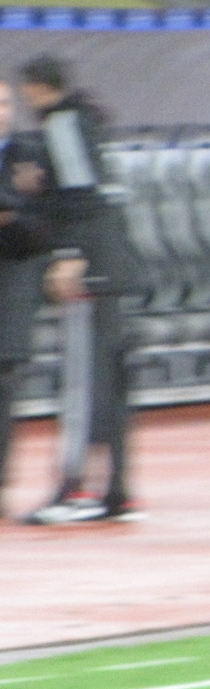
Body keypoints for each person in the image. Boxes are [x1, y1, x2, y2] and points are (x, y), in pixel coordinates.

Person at [17, 56, 144, 524]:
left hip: (89, 271)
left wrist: (70, 254)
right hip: (112, 267)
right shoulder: (90, 122)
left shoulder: (63, 123)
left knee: (82, 384)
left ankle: (73, 491)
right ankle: (118, 492)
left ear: (35, 88)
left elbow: (81, 195)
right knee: (111, 385)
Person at [0, 80, 51, 518]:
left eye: (4, 103)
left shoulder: (30, 156)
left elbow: (41, 227)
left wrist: (10, 218)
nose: (1, 112)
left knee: (2, 393)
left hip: (10, 290)